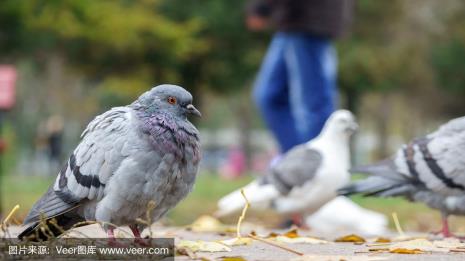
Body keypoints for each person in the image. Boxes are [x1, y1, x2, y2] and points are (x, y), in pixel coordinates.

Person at [248, 0, 354, 153]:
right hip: (291, 20)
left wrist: (262, 8)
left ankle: (318, 167)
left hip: (310, 19)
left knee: (314, 107)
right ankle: (297, 162)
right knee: (269, 97)